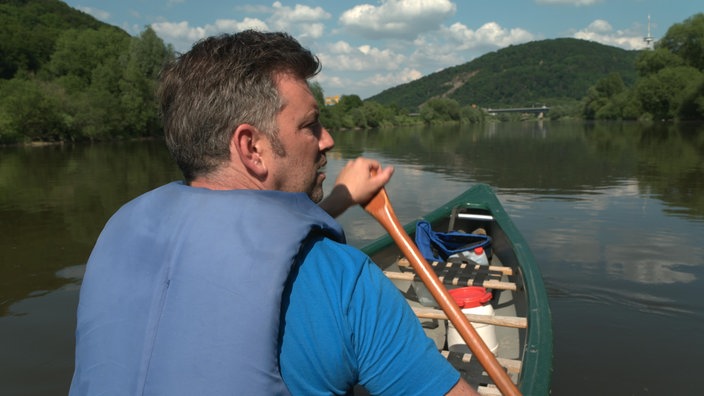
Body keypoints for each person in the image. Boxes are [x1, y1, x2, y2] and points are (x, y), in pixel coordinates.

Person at [70, 30, 478, 395]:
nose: (328, 140)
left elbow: (249, 240)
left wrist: (341, 198)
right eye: (311, 125)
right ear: (251, 148)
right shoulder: (344, 280)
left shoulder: (118, 238)